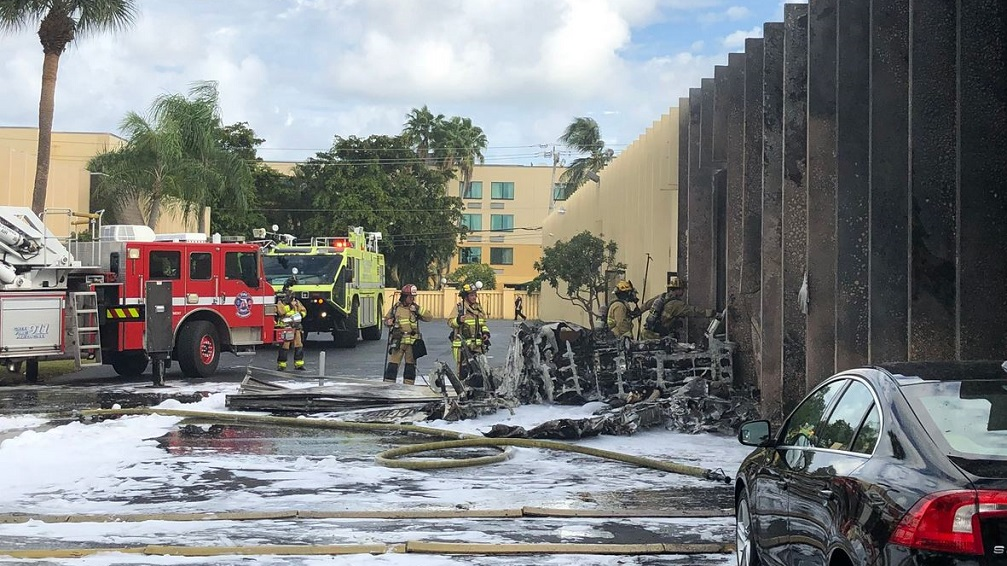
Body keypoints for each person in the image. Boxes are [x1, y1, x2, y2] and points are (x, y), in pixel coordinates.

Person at [383, 284, 433, 385]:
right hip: (398, 341)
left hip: (412, 342)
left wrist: (418, 309)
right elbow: (386, 320)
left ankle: (409, 386)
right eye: (410, 297)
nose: (412, 299)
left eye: (413, 297)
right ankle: (389, 385)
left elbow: (429, 317)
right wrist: (388, 322)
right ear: (404, 297)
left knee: (410, 366)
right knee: (393, 365)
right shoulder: (396, 308)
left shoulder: (415, 308)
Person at [641, 274, 716, 340]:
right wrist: (710, 313)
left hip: (646, 333)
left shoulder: (661, 297)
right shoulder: (677, 304)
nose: (683, 292)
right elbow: (693, 311)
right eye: (682, 289)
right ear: (678, 290)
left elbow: (646, 305)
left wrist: (635, 314)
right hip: (657, 337)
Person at [449, 283, 491, 382]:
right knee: (463, 371)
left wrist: (486, 333)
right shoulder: (459, 308)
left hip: (477, 346)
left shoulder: (479, 309)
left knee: (478, 370)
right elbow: (450, 322)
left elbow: (483, 323)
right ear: (465, 297)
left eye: (475, 295)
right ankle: (463, 390)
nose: (474, 297)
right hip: (462, 347)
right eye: (472, 295)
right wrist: (458, 320)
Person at [276, 278, 307, 370]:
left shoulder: (297, 302)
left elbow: (304, 310)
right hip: (286, 327)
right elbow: (280, 312)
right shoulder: (281, 303)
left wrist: (300, 315)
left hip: (296, 327)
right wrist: (290, 306)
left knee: (299, 345)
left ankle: (299, 364)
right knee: (285, 346)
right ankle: (282, 365)